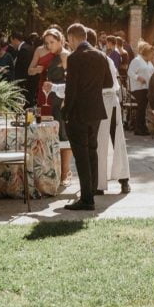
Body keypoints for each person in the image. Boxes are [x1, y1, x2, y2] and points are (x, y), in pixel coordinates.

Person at [60, 23, 112, 210]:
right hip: (96, 111)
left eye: (69, 41)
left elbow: (71, 89)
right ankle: (91, 191)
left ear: (73, 38)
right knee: (92, 151)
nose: (69, 44)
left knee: (81, 155)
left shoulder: (74, 58)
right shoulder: (101, 55)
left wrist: (65, 112)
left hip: (79, 112)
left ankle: (86, 198)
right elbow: (108, 82)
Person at [30, 28, 72, 184]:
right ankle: (60, 171)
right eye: (47, 43)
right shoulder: (54, 55)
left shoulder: (64, 55)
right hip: (53, 98)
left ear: (60, 40)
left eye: (52, 42)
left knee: (64, 135)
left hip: (61, 99)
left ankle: (65, 173)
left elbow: (70, 81)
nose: (49, 46)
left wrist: (65, 101)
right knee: (57, 134)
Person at [127, 43, 154, 136]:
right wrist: (138, 77)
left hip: (146, 87)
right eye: (152, 53)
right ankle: (138, 128)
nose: (153, 55)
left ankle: (143, 127)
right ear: (147, 53)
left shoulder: (149, 62)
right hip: (137, 88)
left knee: (144, 106)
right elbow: (130, 72)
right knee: (142, 104)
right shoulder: (137, 60)